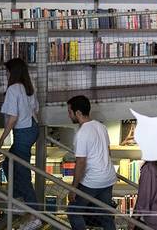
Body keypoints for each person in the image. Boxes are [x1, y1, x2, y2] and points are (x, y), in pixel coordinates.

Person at [0, 57, 42, 230]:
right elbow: (35, 109)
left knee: (23, 174)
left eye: (7, 71)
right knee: (7, 163)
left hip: (23, 133)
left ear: (12, 72)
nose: (6, 75)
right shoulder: (28, 86)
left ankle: (35, 216)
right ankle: (17, 200)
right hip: (32, 129)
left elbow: (13, 118)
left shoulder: (13, 89)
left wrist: (1, 139)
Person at [67, 95, 118, 230]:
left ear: (78, 113)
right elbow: (108, 153)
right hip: (108, 177)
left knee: (73, 211)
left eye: (70, 112)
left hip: (92, 181)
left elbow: (81, 162)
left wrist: (73, 188)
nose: (69, 115)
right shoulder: (101, 126)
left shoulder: (82, 133)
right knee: (105, 215)